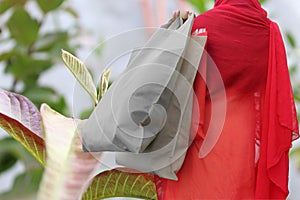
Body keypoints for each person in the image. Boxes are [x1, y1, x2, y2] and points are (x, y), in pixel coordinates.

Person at [155, 0, 299, 199]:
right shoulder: (267, 32)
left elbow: (172, 89)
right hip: (242, 149)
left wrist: (178, 32)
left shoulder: (198, 26)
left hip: (200, 144)